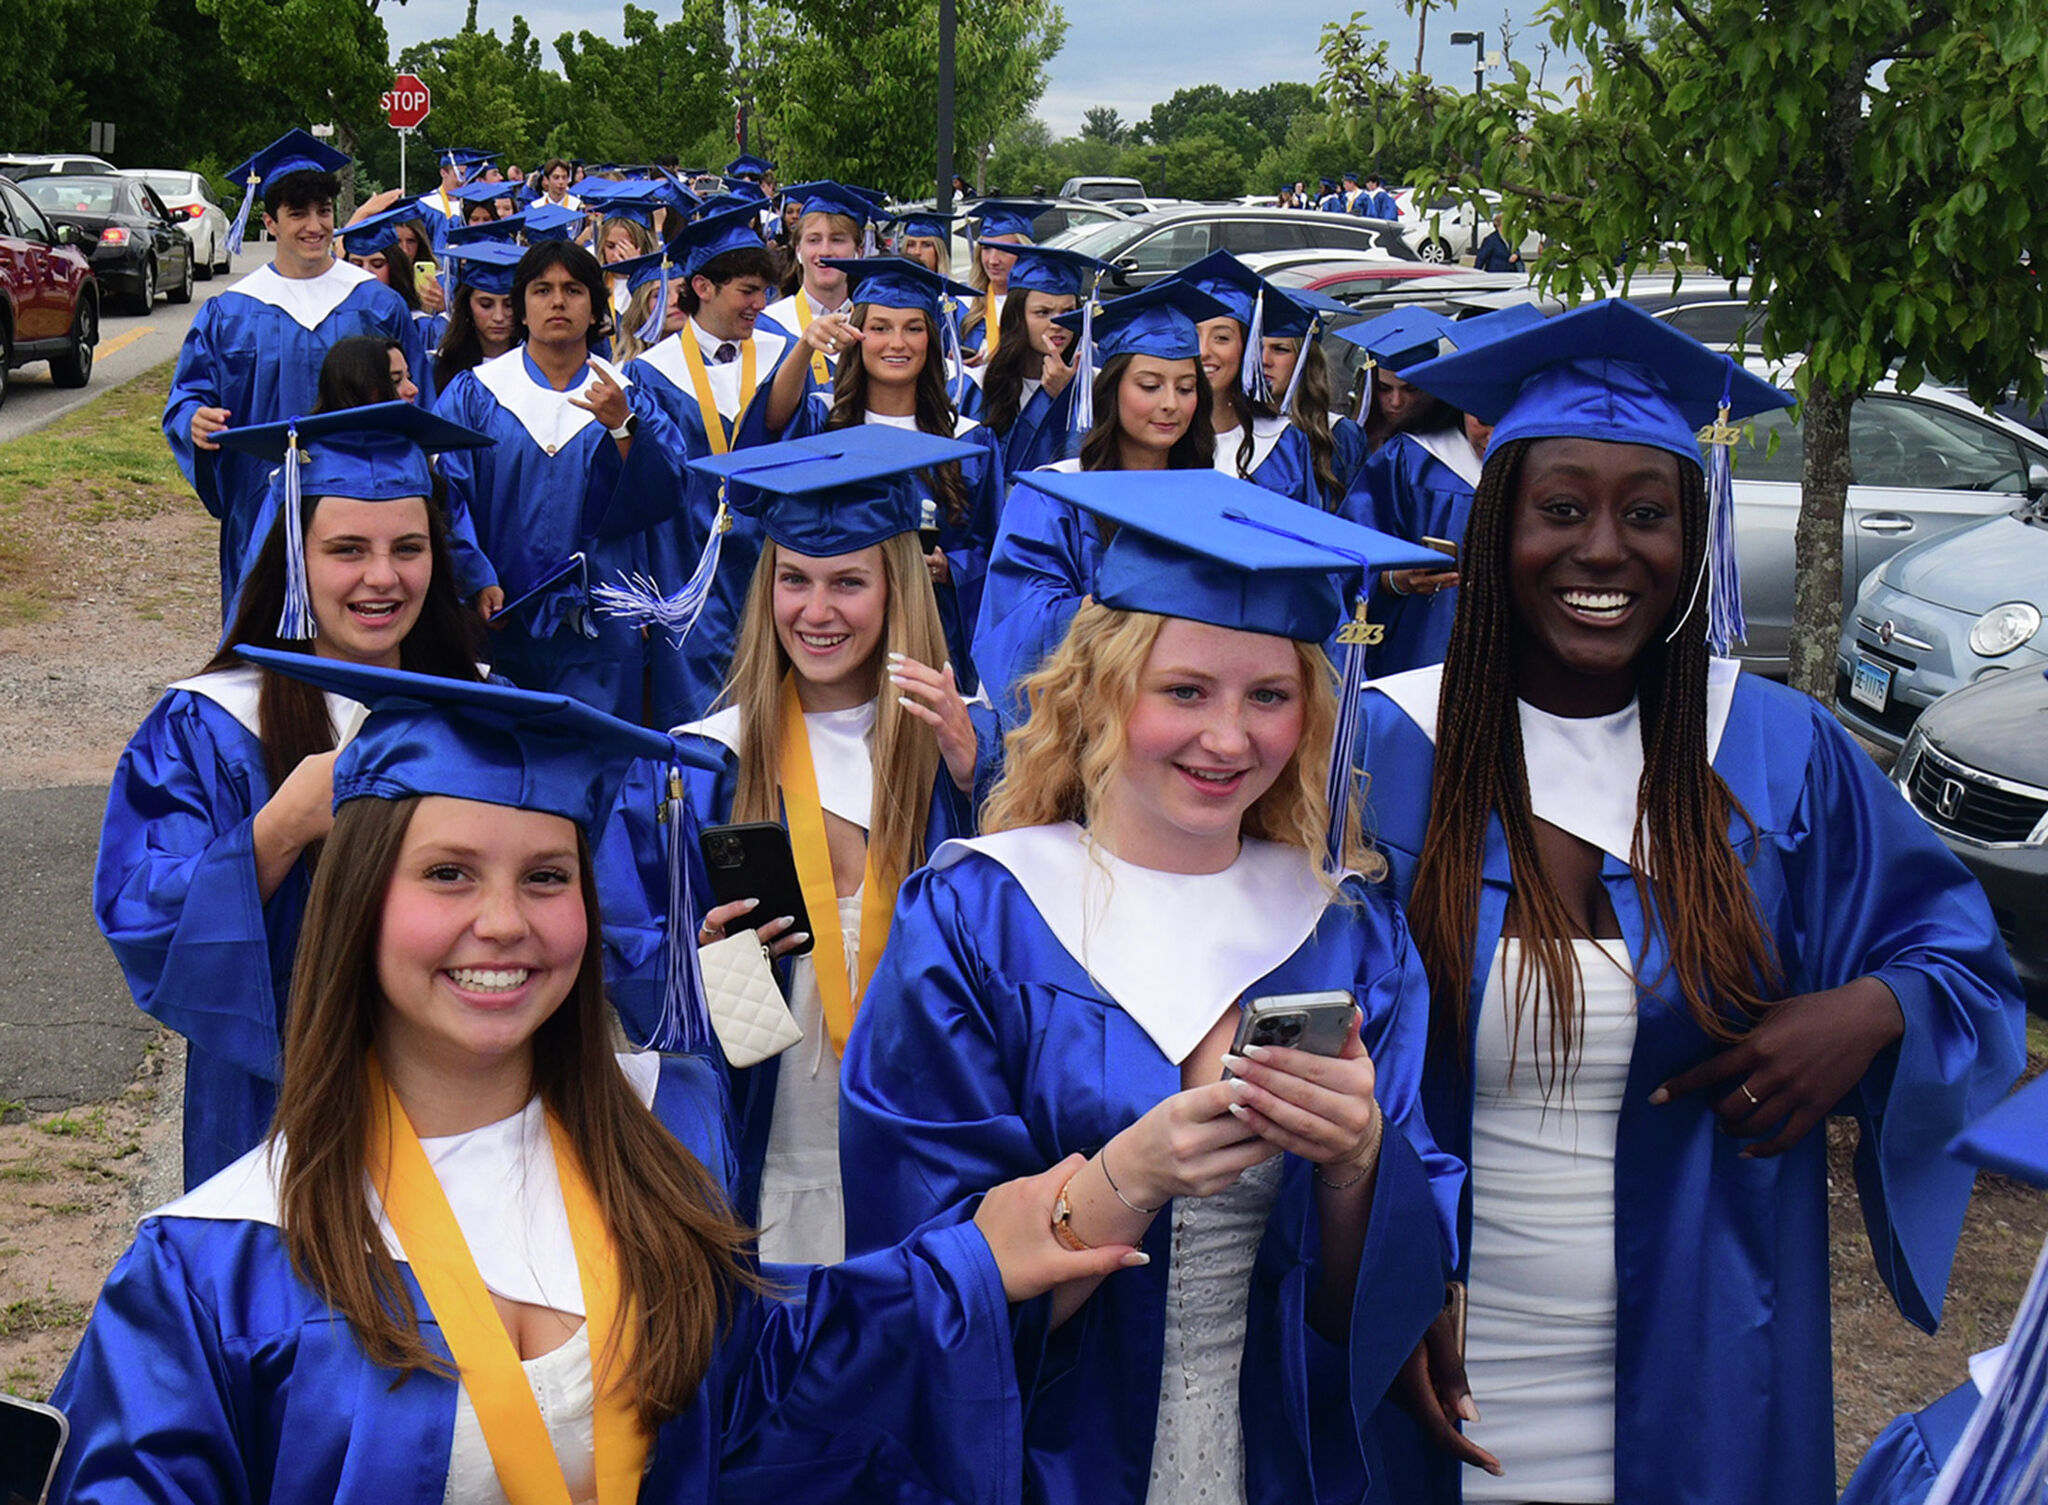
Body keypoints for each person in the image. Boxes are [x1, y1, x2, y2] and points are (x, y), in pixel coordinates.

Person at [61, 651, 1145, 1505]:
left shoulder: (653, 1146)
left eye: (546, 877)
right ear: (359, 903)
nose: (503, 920)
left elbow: (778, 1382)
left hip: (821, 1167)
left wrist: (997, 1249)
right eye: (446, 872)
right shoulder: (215, 1263)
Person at [1353, 299, 2027, 1503]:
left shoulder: (1775, 755)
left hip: (1710, 1363)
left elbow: (1961, 969)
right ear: (1496, 522)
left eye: (1646, 513)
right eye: (1559, 508)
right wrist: (1365, 1286)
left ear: (1692, 540)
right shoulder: (1386, 751)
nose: (1602, 548)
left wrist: (1871, 1010)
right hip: (1433, 1355)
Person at [841, 470, 1462, 1503]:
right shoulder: (978, 917)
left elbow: (1389, 1292)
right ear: (1102, 689)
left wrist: (1359, 1161)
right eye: (1185, 690)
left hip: (1275, 1460)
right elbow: (916, 1273)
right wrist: (1118, 1182)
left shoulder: (1346, 932)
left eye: (1267, 695)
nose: (1228, 738)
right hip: (1041, 1465)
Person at [608, 431, 1001, 1267]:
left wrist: (983, 781)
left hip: (931, 1183)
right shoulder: (705, 768)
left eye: (849, 582)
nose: (816, 613)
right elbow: (642, 982)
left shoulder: (962, 752)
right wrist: (708, 960)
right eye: (794, 579)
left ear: (897, 589)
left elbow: (1031, 969)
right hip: (766, 1176)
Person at [94, 405, 493, 1189]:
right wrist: (274, 831)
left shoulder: (490, 710)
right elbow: (142, 911)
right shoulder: (207, 724)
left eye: (408, 548)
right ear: (294, 559)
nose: (383, 577)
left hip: (462, 1100)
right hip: (274, 1106)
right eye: (347, 549)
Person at [166, 130, 425, 617]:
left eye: (323, 211)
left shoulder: (376, 303)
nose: (314, 226)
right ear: (270, 221)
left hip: (363, 506)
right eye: (298, 214)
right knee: (264, 642)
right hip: (264, 506)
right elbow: (189, 396)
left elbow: (418, 404)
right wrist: (193, 420)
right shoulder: (232, 312)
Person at [973, 280, 1228, 722]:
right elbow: (1019, 625)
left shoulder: (1212, 498)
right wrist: (1130, 601)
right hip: (1077, 725)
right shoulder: (1052, 496)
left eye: (1186, 389)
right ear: (1110, 391)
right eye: (1150, 386)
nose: (1171, 404)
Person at [434, 240, 668, 721]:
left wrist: (624, 429)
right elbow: (445, 496)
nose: (557, 302)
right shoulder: (478, 394)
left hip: (603, 626)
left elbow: (662, 501)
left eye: (573, 289)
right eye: (542, 290)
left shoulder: (628, 397)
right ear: (522, 308)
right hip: (498, 616)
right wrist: (473, 577)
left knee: (596, 759)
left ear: (595, 309)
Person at [751, 257, 1002, 692]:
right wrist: (804, 345)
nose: (897, 343)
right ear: (856, 334)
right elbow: (770, 424)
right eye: (881, 327)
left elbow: (994, 549)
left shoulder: (968, 440)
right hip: (835, 630)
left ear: (932, 340)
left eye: (913, 328)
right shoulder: (823, 420)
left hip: (928, 631)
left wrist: (951, 567)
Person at [622, 203, 813, 728]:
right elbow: (639, 488)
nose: (760, 304)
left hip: (772, 564)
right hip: (683, 572)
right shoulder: (651, 374)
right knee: (694, 720)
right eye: (748, 292)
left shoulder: (784, 357)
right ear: (702, 287)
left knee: (776, 716)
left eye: (764, 292)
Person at [1346, 303, 1546, 676]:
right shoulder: (1413, 462)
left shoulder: (1564, 474)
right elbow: (1350, 558)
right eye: (1482, 418)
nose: (1496, 435)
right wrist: (1396, 580)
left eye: (1512, 419)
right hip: (1425, 672)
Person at [1174, 250, 1339, 507]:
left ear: (1248, 348)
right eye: (1193, 335)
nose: (1204, 350)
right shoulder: (1162, 436)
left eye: (1222, 337)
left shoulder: (1282, 444)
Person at [967, 241, 1112, 479]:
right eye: (1043, 312)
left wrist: (1066, 397)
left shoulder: (1093, 386)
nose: (1058, 324)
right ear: (1017, 316)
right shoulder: (981, 385)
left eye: (1068, 312)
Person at [761, 181, 877, 387]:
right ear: (798, 251)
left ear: (858, 252)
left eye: (838, 240)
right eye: (814, 240)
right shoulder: (768, 325)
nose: (825, 251)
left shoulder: (874, 325)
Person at [1332, 304, 1458, 456]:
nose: (1396, 402)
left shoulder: (1448, 445)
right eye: (1384, 388)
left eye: (1410, 389)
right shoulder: (1352, 440)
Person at [959, 199, 1051, 359]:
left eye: (1004, 250)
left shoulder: (1042, 307)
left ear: (1025, 252)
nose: (993, 260)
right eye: (986, 248)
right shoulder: (962, 306)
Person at [432, 241, 524, 392]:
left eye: (509, 305)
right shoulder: (442, 366)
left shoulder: (536, 367)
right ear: (467, 306)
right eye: (486, 305)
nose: (499, 317)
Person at [1472, 209, 1523, 274]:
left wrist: (1516, 255)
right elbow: (1481, 258)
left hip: (1511, 273)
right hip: (1496, 274)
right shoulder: (1490, 240)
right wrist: (1476, 273)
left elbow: (1516, 250)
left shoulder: (1510, 238)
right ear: (1499, 225)